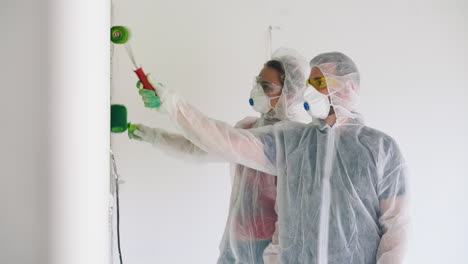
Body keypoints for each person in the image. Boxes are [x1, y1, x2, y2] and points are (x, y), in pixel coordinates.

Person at [136, 51, 409, 264]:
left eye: (319, 82)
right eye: (309, 82)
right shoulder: (292, 140)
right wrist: (172, 105)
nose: (310, 90)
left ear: (348, 90)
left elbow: (396, 227)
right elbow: (225, 141)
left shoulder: (380, 148)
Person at [129, 48, 311, 263]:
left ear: (290, 94)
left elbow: (221, 139)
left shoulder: (292, 139)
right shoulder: (251, 127)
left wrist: (172, 104)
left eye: (266, 87)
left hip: (269, 249)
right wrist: (151, 135)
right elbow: (201, 148)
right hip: (237, 241)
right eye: (257, 83)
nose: (257, 91)